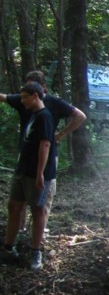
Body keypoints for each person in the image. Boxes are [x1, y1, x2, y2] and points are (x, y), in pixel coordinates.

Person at [0, 69, 86, 232]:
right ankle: (21, 232)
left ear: (43, 88)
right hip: (25, 157)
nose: (29, 96)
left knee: (42, 201)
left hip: (48, 156)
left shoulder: (54, 103)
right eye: (28, 87)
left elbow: (80, 116)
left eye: (35, 88)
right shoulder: (22, 99)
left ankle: (37, 240)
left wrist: (60, 134)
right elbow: (3, 97)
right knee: (20, 198)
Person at [1, 82, 56, 270]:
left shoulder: (45, 117)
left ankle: (36, 252)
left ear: (35, 96)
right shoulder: (32, 114)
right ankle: (9, 249)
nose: (22, 100)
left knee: (37, 210)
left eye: (25, 97)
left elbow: (45, 145)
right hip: (22, 169)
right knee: (14, 205)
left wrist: (40, 174)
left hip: (36, 173)